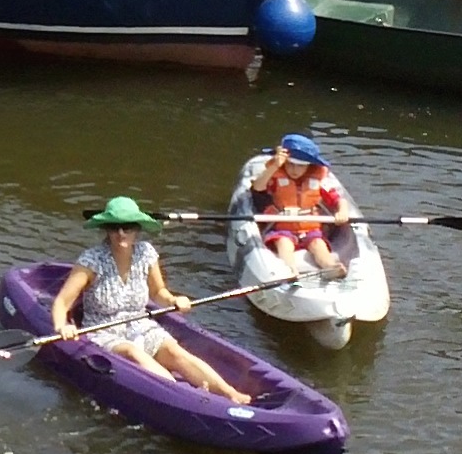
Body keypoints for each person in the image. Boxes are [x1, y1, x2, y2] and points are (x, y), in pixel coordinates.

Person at [50, 196, 251, 404]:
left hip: (140, 323)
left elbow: (158, 292)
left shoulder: (146, 253)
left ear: (137, 229)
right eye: (114, 227)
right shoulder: (91, 260)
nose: (120, 233)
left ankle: (229, 393)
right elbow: (61, 303)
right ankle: (183, 398)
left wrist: (173, 300)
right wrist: (62, 326)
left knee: (174, 351)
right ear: (106, 229)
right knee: (132, 352)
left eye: (127, 227)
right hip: (103, 329)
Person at [247, 133, 350, 273]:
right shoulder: (275, 176)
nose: (295, 170)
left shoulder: (318, 179)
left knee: (319, 245)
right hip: (282, 228)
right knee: (284, 244)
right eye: (290, 164)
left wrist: (342, 211)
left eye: (301, 166)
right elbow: (258, 187)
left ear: (310, 166)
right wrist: (275, 166)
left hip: (310, 229)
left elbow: (338, 198)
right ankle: (289, 270)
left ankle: (330, 267)